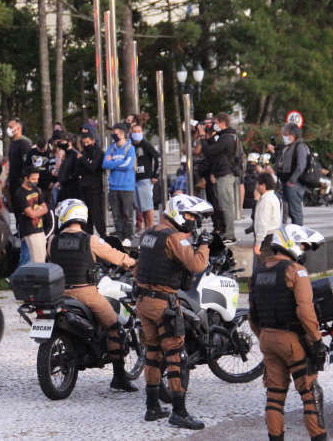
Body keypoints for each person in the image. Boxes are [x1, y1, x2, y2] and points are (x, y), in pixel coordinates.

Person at [135, 195, 212, 429]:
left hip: (143, 301)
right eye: (191, 216)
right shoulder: (175, 238)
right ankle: (179, 411)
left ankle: (152, 407)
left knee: (152, 353)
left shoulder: (149, 234)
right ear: (178, 213)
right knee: (176, 356)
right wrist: (205, 245)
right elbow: (197, 265)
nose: (193, 221)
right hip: (163, 305)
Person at [48, 199, 137, 391]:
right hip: (85, 293)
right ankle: (119, 378)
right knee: (115, 329)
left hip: (59, 293)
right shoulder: (91, 240)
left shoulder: (51, 241)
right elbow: (116, 256)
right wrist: (134, 264)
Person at [249, 224, 327, 441]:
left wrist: (265, 336)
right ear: (290, 243)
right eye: (302, 244)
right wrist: (317, 340)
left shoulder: (257, 272)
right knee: (311, 394)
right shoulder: (296, 271)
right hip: (292, 340)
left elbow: (252, 316)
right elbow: (305, 310)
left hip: (267, 338)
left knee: (274, 397)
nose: (303, 248)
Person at [199, 112, 241, 242]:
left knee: (226, 205)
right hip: (223, 173)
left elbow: (209, 151)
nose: (214, 126)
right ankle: (228, 233)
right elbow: (215, 151)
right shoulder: (226, 136)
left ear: (222, 124)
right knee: (224, 204)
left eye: (215, 123)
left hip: (226, 175)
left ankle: (230, 235)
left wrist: (201, 135)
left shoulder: (227, 138)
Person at [103, 123, 137, 245]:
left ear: (122, 133)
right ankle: (119, 235)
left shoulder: (130, 148)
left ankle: (128, 236)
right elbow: (105, 164)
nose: (113, 135)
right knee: (116, 215)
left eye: (115, 132)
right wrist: (119, 162)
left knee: (127, 214)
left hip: (127, 186)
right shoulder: (111, 148)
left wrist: (113, 162)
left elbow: (128, 165)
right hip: (113, 186)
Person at [14, 167, 48, 265]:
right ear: (26, 178)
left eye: (37, 179)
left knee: (42, 257)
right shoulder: (20, 193)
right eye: (33, 179)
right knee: (36, 260)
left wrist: (37, 211)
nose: (36, 181)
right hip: (30, 230)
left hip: (40, 228)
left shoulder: (35, 189)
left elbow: (45, 208)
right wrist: (39, 209)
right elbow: (31, 214)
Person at [131, 123, 161, 232]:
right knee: (141, 207)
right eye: (135, 131)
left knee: (148, 205)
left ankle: (151, 227)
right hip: (136, 179)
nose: (137, 133)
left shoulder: (146, 144)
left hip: (145, 178)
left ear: (143, 132)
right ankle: (146, 227)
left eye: (139, 131)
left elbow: (158, 158)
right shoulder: (132, 146)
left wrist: (155, 175)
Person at [76, 131, 106, 236]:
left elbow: (93, 167)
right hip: (84, 187)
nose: (86, 145)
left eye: (88, 142)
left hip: (95, 188)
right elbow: (79, 170)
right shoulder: (83, 153)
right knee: (86, 214)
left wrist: (83, 160)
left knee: (97, 214)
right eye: (84, 143)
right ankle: (88, 235)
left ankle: (103, 235)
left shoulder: (98, 153)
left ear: (93, 141)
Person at [278, 123, 308, 226]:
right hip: (286, 182)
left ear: (294, 135)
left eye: (287, 135)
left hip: (294, 184)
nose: (285, 137)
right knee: (288, 210)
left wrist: (292, 180)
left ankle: (298, 233)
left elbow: (301, 165)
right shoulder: (288, 147)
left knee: (295, 210)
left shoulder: (300, 147)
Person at [253, 173, 282, 260]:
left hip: (267, 238)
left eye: (257, 184)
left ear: (263, 185)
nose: (256, 186)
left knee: (265, 265)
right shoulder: (273, 197)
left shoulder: (266, 200)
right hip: (273, 235)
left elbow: (263, 223)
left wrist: (258, 243)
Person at [5, 118, 32, 200]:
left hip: (21, 182)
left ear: (18, 128)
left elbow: (28, 163)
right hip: (13, 181)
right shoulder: (12, 143)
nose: (8, 129)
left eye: (10, 126)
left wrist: (25, 179)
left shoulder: (24, 143)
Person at [25, 136, 55, 208]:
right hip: (34, 183)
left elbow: (53, 169)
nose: (42, 152)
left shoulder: (50, 153)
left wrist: (52, 181)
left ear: (47, 145)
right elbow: (26, 167)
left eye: (43, 150)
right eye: (40, 150)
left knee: (46, 205)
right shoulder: (31, 152)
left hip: (47, 184)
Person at [55, 133, 81, 203]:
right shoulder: (66, 154)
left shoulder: (75, 155)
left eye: (63, 141)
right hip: (64, 188)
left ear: (69, 143)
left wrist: (66, 179)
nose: (61, 143)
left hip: (72, 190)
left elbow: (76, 172)